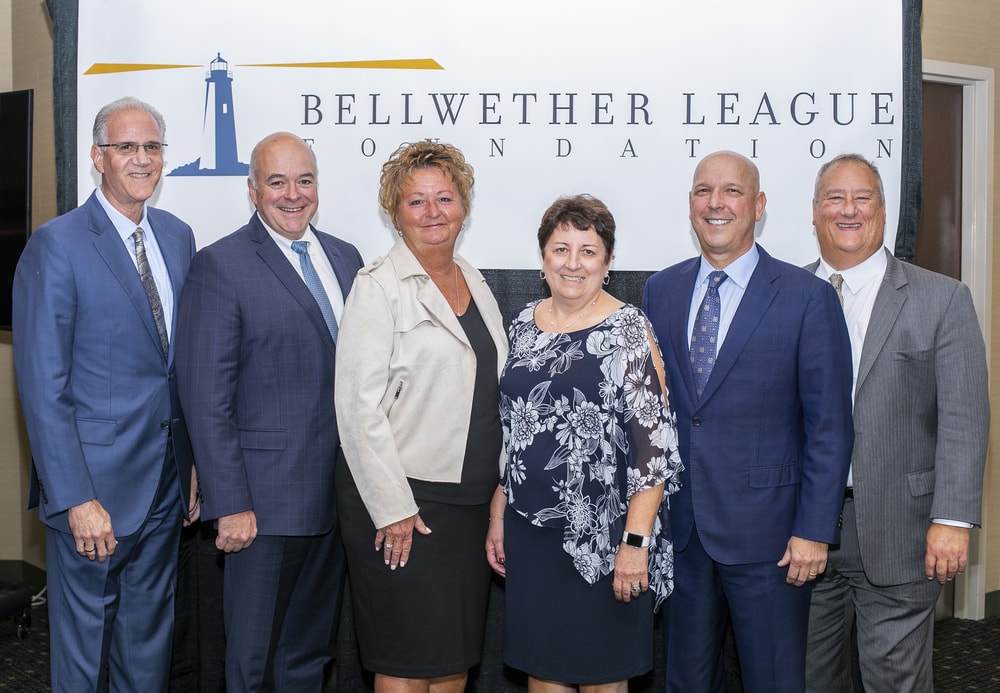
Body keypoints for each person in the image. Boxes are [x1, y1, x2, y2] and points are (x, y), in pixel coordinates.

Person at [641, 150, 855, 693]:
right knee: (686, 682)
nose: (716, 203)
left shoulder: (808, 298)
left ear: (758, 205)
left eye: (732, 191)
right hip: (683, 532)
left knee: (774, 681)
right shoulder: (659, 292)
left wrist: (813, 530)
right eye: (703, 191)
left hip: (773, 539)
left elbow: (830, 427)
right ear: (690, 204)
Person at [12, 96, 199, 691]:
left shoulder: (177, 236)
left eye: (152, 147)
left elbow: (175, 368)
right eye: (127, 147)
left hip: (165, 485)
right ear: (97, 157)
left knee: (147, 648)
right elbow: (44, 387)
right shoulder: (57, 244)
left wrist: (191, 467)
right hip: (93, 493)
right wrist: (74, 498)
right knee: (83, 656)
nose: (141, 159)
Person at [175, 132, 363, 692]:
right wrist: (230, 503)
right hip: (261, 508)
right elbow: (206, 397)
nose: (292, 194)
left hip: (336, 500)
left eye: (304, 180)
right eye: (277, 182)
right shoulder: (220, 265)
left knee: (307, 657)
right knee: (252, 666)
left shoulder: (345, 258)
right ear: (252, 190)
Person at [804, 154, 989, 692]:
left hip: (904, 530)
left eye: (862, 198)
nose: (848, 210)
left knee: (895, 682)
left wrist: (953, 519)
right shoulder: (785, 296)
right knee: (808, 680)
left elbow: (964, 415)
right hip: (803, 536)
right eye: (834, 199)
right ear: (815, 213)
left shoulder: (943, 298)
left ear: (884, 212)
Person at [486, 195, 683, 691]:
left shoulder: (630, 330)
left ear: (608, 262)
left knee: (603, 678)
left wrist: (635, 545)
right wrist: (497, 512)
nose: (573, 263)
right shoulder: (522, 325)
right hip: (531, 537)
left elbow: (654, 451)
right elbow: (515, 429)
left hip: (606, 539)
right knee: (543, 676)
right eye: (561, 249)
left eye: (588, 250)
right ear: (543, 257)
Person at [334, 140, 507, 692]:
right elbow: (357, 409)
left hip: (467, 504)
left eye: (445, 198)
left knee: (453, 658)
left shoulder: (475, 282)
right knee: (406, 662)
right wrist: (391, 510)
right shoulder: (377, 286)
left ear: (464, 206)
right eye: (417, 202)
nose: (433, 213)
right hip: (403, 501)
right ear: (395, 212)